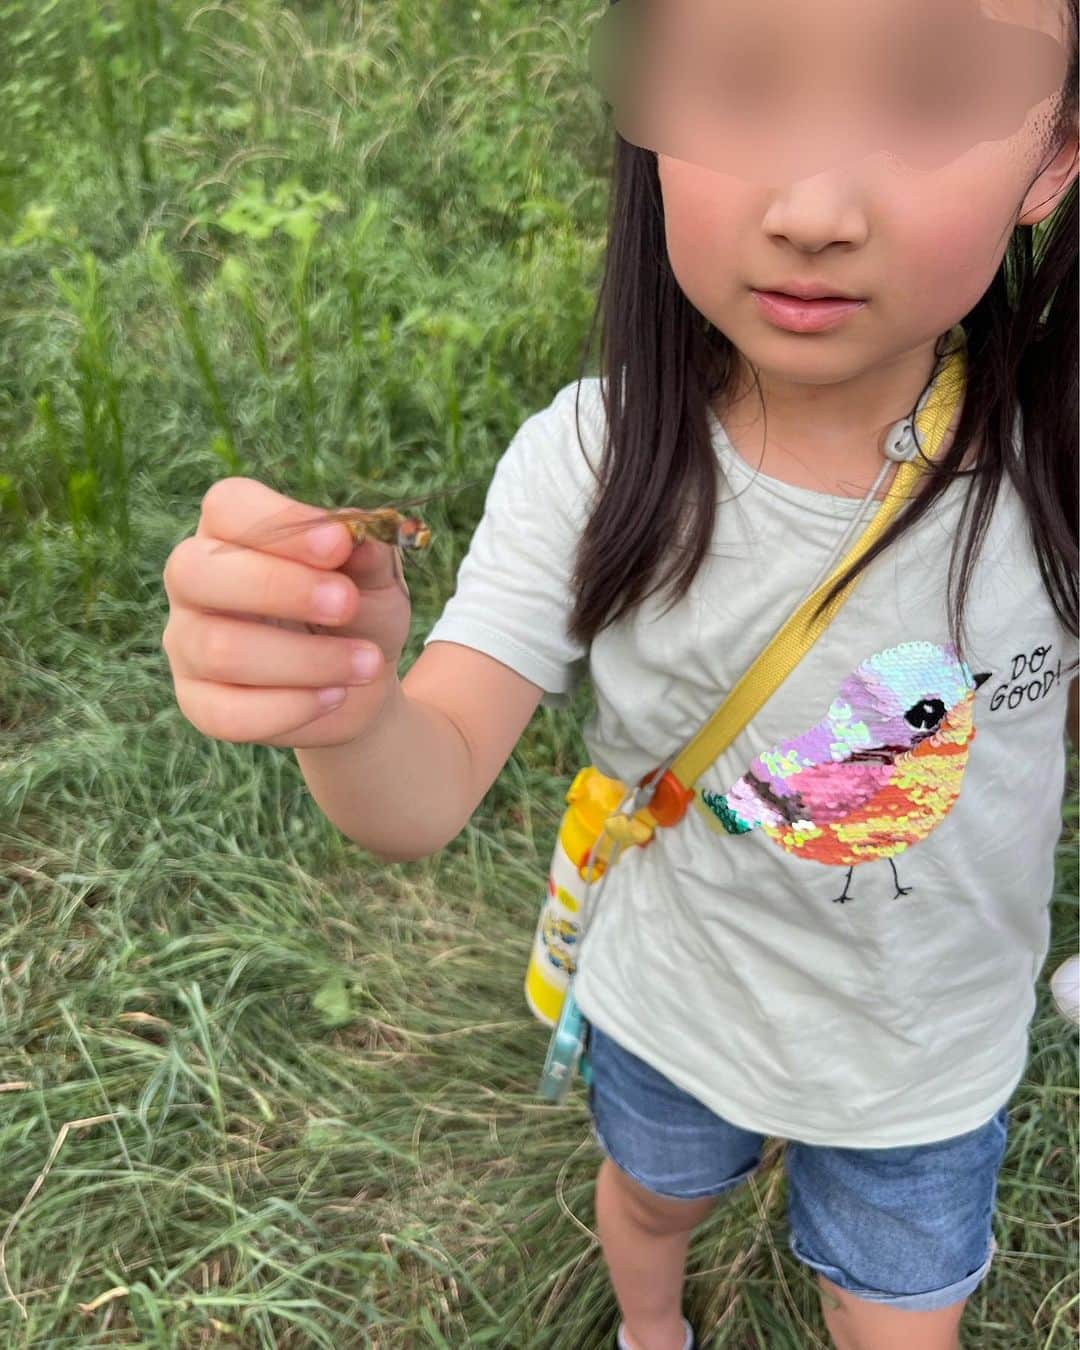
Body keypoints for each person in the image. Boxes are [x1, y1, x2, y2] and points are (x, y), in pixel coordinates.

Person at [160, 1, 1080, 1347]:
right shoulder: (590, 463)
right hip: (674, 1007)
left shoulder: (1056, 474)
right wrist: (345, 703)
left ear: (1055, 154)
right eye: (736, 84)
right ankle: (653, 1328)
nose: (812, 205)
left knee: (898, 1317)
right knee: (651, 1201)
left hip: (928, 1057)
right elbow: (418, 794)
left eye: (933, 96)